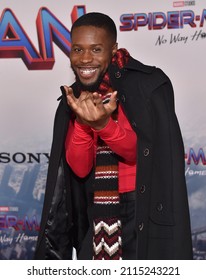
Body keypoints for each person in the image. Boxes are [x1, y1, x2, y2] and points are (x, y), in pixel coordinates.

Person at [34, 12, 193, 260]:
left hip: (143, 211)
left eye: (96, 49)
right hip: (98, 214)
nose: (85, 59)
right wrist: (84, 124)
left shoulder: (146, 85)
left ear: (113, 49)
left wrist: (103, 124)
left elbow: (135, 151)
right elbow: (79, 167)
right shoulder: (73, 98)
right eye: (77, 49)